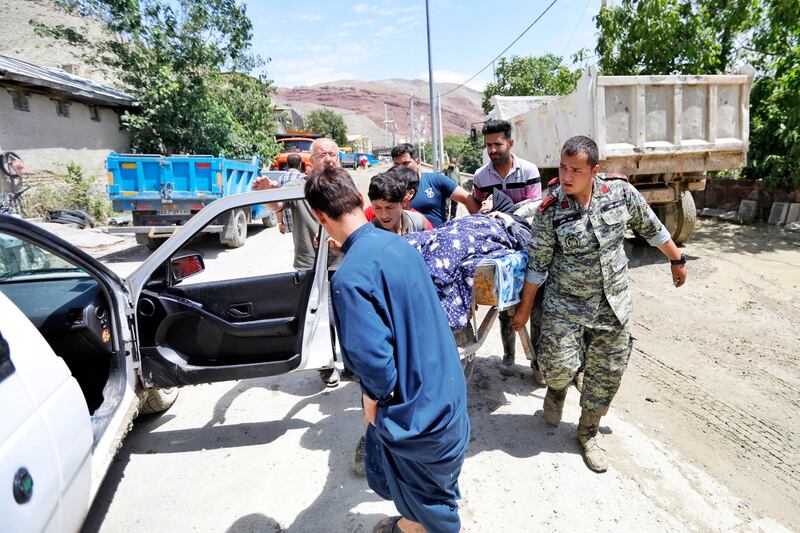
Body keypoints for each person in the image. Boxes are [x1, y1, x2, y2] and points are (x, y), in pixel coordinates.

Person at [305, 167, 469, 533]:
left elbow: (375, 364)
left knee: (434, 506)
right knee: (430, 488)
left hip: (419, 416)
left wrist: (373, 403)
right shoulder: (400, 245)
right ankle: (408, 526)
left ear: (319, 216)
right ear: (361, 201)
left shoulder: (349, 279)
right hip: (448, 394)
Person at [511, 135, 688, 472]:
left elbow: (653, 229)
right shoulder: (550, 210)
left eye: (575, 170)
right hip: (566, 304)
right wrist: (523, 310)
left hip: (613, 304)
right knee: (557, 367)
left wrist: (676, 259)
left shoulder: (620, 194)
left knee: (607, 374)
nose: (566, 176)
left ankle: (588, 432)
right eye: (563, 167)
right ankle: (558, 389)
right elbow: (537, 266)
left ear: (595, 171)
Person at [252, 137, 343, 388]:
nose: (328, 159)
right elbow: (277, 204)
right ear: (311, 162)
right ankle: (326, 366)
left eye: (333, 154)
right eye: (322, 155)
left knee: (347, 315)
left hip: (344, 260)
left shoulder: (345, 183)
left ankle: (354, 364)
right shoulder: (298, 186)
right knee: (321, 318)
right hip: (310, 263)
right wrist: (267, 192)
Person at [471, 120, 543, 377]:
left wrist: (504, 213)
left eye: (497, 144)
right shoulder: (481, 176)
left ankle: (537, 361)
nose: (492, 150)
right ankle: (509, 355)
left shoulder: (529, 171)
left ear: (510, 143)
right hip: (498, 249)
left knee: (533, 303)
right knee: (502, 300)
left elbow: (535, 210)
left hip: (526, 244)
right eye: (488, 145)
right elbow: (479, 212)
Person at [392, 143, 479, 227]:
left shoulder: (435, 180)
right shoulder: (390, 188)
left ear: (418, 162)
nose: (401, 169)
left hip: (437, 239)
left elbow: (467, 198)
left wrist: (482, 223)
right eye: (397, 165)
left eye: (405, 163)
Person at [369, 168, 431, 235]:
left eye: (389, 208)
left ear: (403, 203)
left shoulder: (419, 223)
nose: (384, 215)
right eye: (377, 208)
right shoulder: (370, 234)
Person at [274, 153, 305, 234]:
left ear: (287, 164)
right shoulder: (303, 178)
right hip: (302, 221)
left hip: (288, 221)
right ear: (300, 164)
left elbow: (279, 202)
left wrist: (280, 223)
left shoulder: (280, 179)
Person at [441, 156, 461, 220]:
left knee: (454, 205)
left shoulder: (457, 169)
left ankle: (452, 218)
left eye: (454, 162)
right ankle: (445, 219)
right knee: (446, 206)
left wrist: (460, 188)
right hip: (447, 190)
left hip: (455, 189)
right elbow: (442, 177)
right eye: (452, 162)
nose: (453, 163)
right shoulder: (446, 169)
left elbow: (459, 179)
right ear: (450, 162)